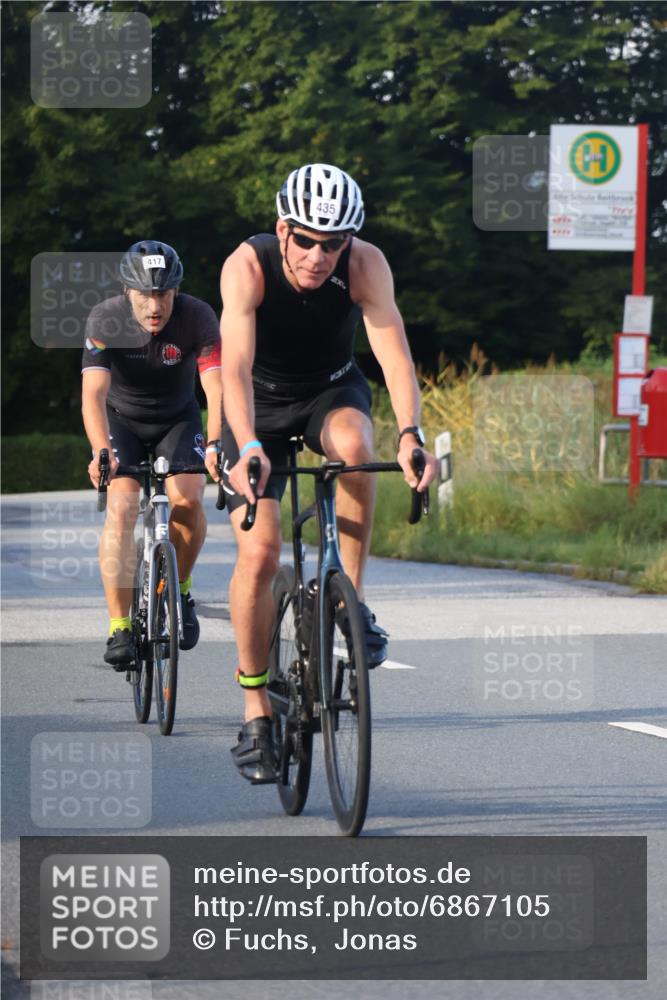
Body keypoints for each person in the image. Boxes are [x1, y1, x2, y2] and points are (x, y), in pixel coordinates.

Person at [218, 162, 438, 783]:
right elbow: (233, 368)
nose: (319, 256)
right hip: (256, 403)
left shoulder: (366, 264)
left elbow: (393, 351)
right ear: (282, 230)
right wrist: (247, 444)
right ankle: (256, 709)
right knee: (260, 554)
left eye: (333, 243)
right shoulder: (247, 265)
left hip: (329, 390)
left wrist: (411, 434)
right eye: (307, 241)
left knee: (356, 446)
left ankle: (352, 601)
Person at [82, 240, 222, 669]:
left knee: (189, 499)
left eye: (163, 294)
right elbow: (93, 394)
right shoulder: (105, 317)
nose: (155, 305)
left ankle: (180, 590)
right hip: (121, 420)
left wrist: (216, 442)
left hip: (178, 418)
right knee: (122, 505)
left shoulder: (198, 316)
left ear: (176, 290)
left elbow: (216, 387)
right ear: (128, 291)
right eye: (145, 294)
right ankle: (120, 626)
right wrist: (101, 450)